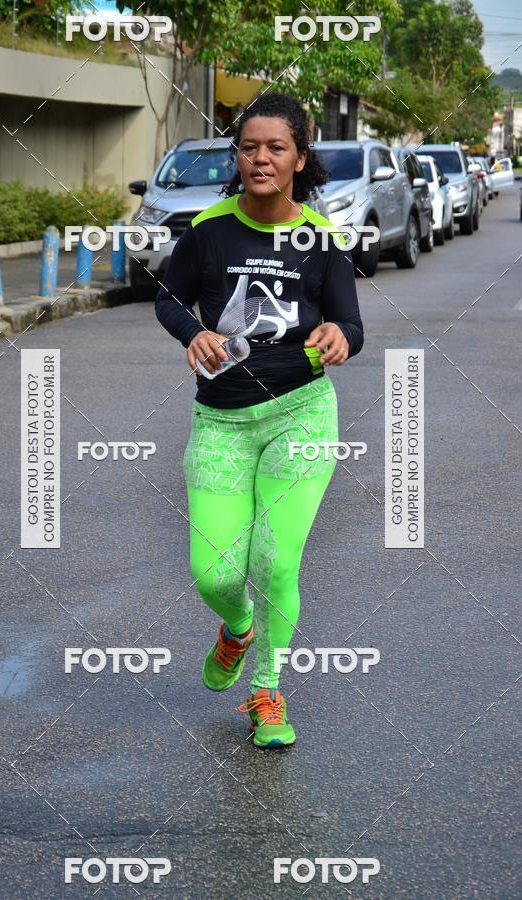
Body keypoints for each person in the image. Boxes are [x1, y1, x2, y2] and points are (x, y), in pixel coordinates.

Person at [154, 91, 364, 749]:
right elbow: (168, 298)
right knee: (215, 572)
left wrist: (340, 337)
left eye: (276, 147)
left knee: (276, 561)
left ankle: (267, 692)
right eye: (249, 148)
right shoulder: (208, 229)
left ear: (300, 157)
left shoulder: (321, 238)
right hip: (221, 420)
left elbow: (351, 324)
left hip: (301, 413)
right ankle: (238, 628)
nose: (261, 158)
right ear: (237, 156)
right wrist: (192, 331)